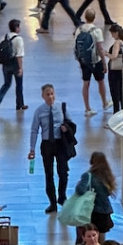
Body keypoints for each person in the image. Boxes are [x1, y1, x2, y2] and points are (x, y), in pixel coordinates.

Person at [28, 84, 73, 213]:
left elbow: (71, 123)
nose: (50, 97)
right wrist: (32, 149)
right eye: (47, 94)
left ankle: (62, 196)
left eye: (52, 93)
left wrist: (66, 128)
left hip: (60, 143)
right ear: (43, 96)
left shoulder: (62, 107)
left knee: (63, 172)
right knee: (49, 174)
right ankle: (52, 202)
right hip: (47, 144)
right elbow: (34, 130)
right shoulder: (39, 111)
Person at [74, 7, 111, 117]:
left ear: (85, 17)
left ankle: (87, 108)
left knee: (86, 83)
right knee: (100, 81)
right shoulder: (96, 31)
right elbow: (100, 48)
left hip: (84, 61)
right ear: (94, 18)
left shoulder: (79, 30)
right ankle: (104, 102)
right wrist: (104, 63)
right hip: (95, 60)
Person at [76, 151, 115, 238]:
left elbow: (80, 190)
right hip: (105, 211)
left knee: (90, 237)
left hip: (92, 211)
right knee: (101, 237)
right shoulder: (107, 176)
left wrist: (79, 184)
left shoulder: (88, 176)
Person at [0, 18, 25, 115]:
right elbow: (19, 55)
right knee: (19, 85)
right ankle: (19, 104)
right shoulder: (19, 39)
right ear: (16, 28)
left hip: (5, 64)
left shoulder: (5, 37)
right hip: (15, 63)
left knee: (6, 84)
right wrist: (20, 68)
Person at [107, 25, 123, 113]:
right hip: (121, 70)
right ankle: (122, 114)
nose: (111, 35)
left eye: (112, 33)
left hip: (114, 71)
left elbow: (114, 56)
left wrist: (106, 54)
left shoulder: (117, 43)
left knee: (115, 94)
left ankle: (116, 114)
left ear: (116, 33)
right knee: (121, 93)